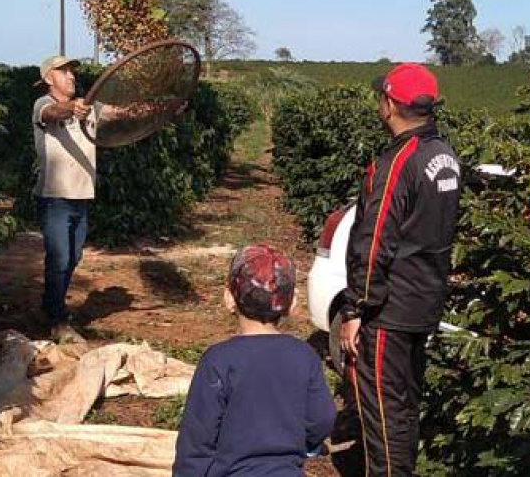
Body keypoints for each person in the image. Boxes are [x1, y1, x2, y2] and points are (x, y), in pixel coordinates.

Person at [336, 63, 461, 476]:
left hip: (389, 308)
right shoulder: (444, 154)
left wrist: (356, 309)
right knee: (405, 406)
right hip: (424, 302)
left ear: (390, 104)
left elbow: (375, 244)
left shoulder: (397, 162)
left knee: (383, 416)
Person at [173, 244, 336, 477]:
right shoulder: (304, 356)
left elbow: (196, 440)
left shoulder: (218, 360)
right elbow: (322, 418)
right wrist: (308, 446)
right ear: (292, 304)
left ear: (229, 298)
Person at [32, 55, 96, 341]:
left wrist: (156, 107)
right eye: (64, 71)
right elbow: (53, 114)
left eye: (72, 72)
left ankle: (50, 305)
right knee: (59, 257)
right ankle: (56, 319)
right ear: (49, 78)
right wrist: (72, 108)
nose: (71, 76)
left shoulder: (90, 107)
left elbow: (122, 113)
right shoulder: (43, 105)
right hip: (55, 197)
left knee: (74, 256)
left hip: (82, 195)